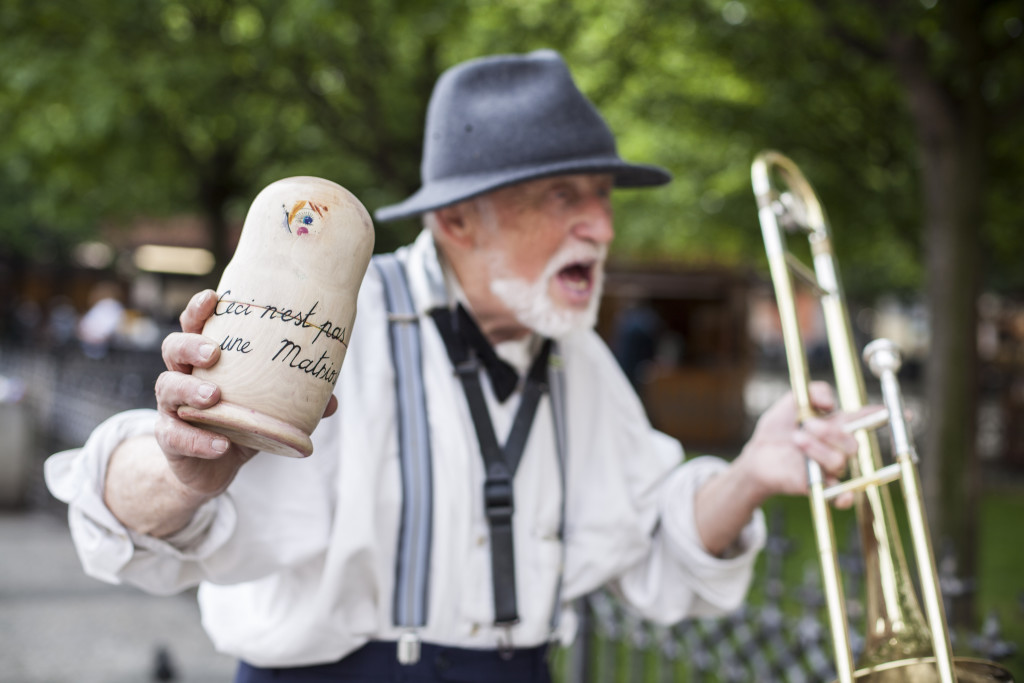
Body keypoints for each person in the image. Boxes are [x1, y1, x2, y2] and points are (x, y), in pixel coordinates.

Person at [44, 50, 861, 683]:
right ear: (459, 220)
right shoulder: (331, 318)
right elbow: (120, 509)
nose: (602, 227)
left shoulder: (579, 359)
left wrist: (752, 472)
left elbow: (655, 538)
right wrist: (185, 465)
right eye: (564, 196)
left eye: (605, 196)